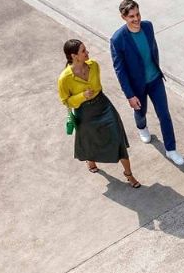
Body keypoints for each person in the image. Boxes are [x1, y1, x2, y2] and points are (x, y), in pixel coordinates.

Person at [109, 0, 184, 166]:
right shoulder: (118, 39)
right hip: (137, 86)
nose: (136, 19)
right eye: (131, 16)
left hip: (155, 80)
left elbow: (152, 50)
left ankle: (171, 149)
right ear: (123, 17)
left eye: (138, 14)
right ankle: (141, 127)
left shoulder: (148, 27)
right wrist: (129, 95)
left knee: (164, 115)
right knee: (140, 112)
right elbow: (120, 70)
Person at [57, 39, 141, 188]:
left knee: (118, 138)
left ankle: (129, 174)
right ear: (74, 56)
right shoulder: (64, 78)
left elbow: (98, 87)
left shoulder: (94, 65)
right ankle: (90, 159)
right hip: (85, 112)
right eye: (83, 51)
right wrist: (82, 96)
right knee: (90, 139)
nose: (87, 52)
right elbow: (66, 101)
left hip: (103, 105)